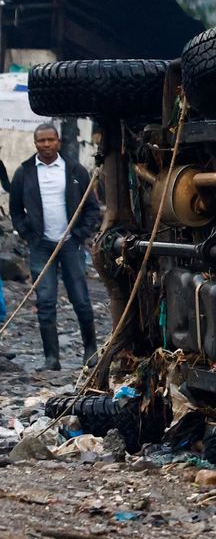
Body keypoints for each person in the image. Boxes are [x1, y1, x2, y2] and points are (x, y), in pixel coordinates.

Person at [8, 123, 99, 370]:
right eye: (41, 141)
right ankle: (52, 358)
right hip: (41, 245)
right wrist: (28, 234)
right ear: (35, 143)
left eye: (50, 140)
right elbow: (15, 210)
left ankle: (91, 350)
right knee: (46, 301)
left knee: (80, 299)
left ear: (58, 141)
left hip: (70, 244)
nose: (46, 145)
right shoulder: (24, 172)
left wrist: (80, 234)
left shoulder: (75, 170)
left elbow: (91, 208)